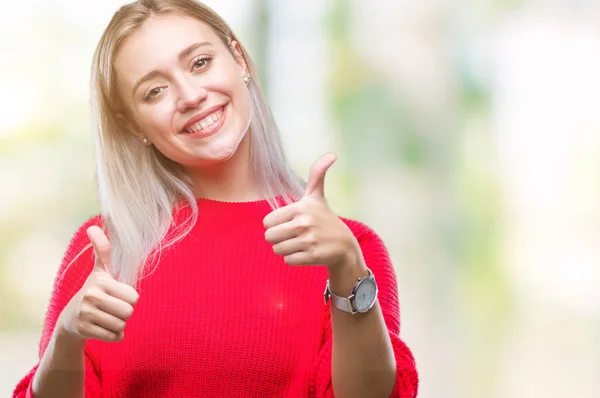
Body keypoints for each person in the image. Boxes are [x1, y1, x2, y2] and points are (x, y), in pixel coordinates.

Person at [13, 0, 419, 397]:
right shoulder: (102, 249)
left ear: (238, 58)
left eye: (200, 62)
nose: (190, 96)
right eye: (154, 91)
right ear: (132, 122)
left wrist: (347, 267)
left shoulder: (349, 247)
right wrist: (66, 335)